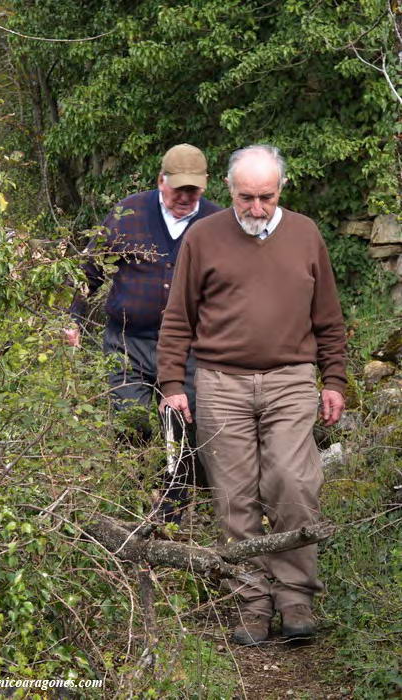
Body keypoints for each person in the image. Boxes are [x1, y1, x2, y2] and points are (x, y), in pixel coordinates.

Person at [157, 144, 346, 643]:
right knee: (234, 495)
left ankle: (297, 600)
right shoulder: (204, 237)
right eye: (246, 198)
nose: (256, 208)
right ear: (229, 191)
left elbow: (328, 317)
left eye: (266, 196)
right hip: (220, 380)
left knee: (292, 482)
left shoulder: (305, 234)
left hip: (290, 377)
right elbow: (178, 317)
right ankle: (251, 604)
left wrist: (335, 380)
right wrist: (173, 383)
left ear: (280, 189)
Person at [65, 144, 222, 522]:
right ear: (160, 181)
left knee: (185, 422)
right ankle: (134, 500)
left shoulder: (218, 223)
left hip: (189, 346)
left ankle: (178, 507)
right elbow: (90, 269)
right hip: (128, 340)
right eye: (177, 189)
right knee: (131, 421)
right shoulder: (129, 213)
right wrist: (72, 318)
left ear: (204, 186)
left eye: (193, 190)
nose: (185, 198)